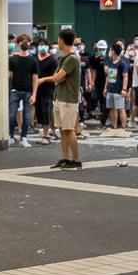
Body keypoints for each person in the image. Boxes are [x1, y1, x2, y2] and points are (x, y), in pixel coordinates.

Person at [41, 29, 83, 170]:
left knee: (69, 130)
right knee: (62, 129)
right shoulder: (64, 58)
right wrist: (58, 77)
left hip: (69, 99)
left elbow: (57, 78)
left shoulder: (72, 58)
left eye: (58, 39)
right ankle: (65, 158)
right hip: (60, 97)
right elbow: (56, 77)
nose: (57, 42)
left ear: (61, 40)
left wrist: (57, 77)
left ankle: (76, 160)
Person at [8, 34, 36, 147]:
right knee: (11, 115)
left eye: (27, 41)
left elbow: (35, 78)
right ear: (17, 43)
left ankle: (23, 138)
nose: (25, 43)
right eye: (22, 41)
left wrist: (34, 94)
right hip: (14, 90)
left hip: (28, 91)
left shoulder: (33, 60)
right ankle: (10, 136)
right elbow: (10, 76)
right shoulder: (13, 59)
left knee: (26, 116)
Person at [31, 39, 57, 144]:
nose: (42, 47)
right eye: (40, 45)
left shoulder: (52, 60)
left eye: (45, 45)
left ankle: (46, 136)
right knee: (40, 113)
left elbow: (55, 77)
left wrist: (43, 79)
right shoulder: (33, 59)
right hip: (36, 89)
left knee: (46, 111)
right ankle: (44, 134)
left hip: (48, 89)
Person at [103, 43, 129, 133]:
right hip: (110, 89)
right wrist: (105, 88)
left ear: (114, 51)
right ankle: (113, 126)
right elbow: (108, 76)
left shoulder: (122, 63)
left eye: (111, 50)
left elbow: (125, 76)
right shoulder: (110, 62)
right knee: (112, 108)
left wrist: (124, 89)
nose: (110, 52)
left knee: (121, 109)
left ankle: (123, 127)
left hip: (118, 90)